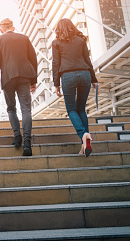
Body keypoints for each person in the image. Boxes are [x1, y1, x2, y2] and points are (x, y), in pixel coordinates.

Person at [52, 18, 98, 157]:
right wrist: (94, 79)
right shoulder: (80, 40)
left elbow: (56, 63)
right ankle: (84, 143)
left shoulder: (56, 43)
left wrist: (56, 83)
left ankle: (83, 135)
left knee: (71, 109)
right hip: (85, 74)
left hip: (68, 76)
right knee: (81, 109)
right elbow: (87, 60)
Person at [0, 18, 37, 156]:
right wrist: (33, 81)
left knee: (11, 108)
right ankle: (27, 142)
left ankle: (17, 137)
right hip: (24, 76)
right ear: (13, 27)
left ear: (1, 30)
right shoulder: (24, 38)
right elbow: (33, 58)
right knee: (26, 109)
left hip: (8, 78)